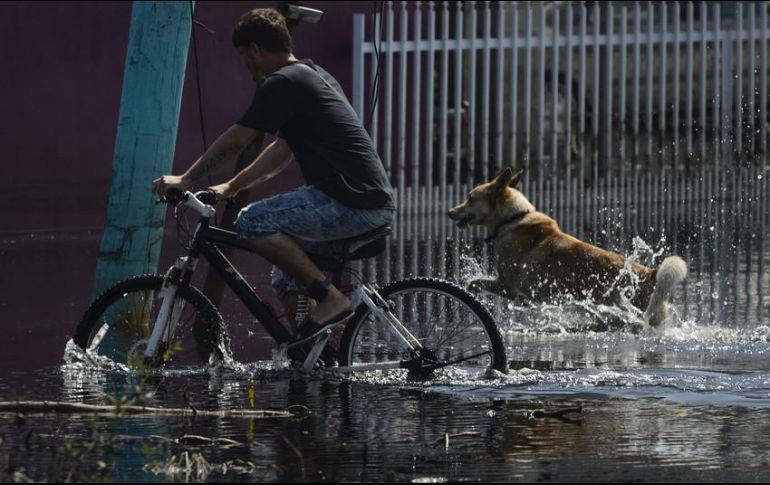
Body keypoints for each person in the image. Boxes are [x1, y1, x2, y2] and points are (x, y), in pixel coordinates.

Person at [152, 8, 395, 346]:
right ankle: (311, 352)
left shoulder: (283, 82)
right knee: (287, 276)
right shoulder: (311, 75)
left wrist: (186, 178)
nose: (245, 64)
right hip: (364, 201)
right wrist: (231, 186)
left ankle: (329, 298)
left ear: (255, 49)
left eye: (243, 56)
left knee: (252, 221)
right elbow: (282, 151)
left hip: (351, 201)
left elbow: (240, 138)